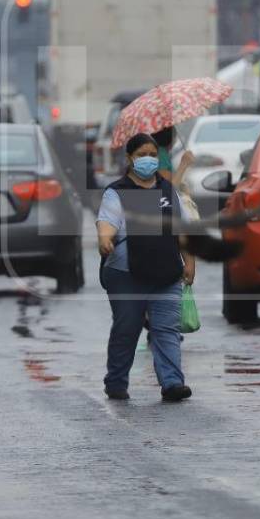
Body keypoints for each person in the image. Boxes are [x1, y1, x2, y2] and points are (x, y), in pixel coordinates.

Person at [97, 133, 196, 402]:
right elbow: (107, 223)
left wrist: (189, 260)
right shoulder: (117, 192)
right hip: (126, 275)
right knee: (127, 328)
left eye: (153, 154)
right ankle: (116, 381)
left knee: (166, 330)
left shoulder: (168, 191)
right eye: (142, 155)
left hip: (166, 273)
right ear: (129, 159)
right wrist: (105, 240)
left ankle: (173, 383)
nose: (148, 160)